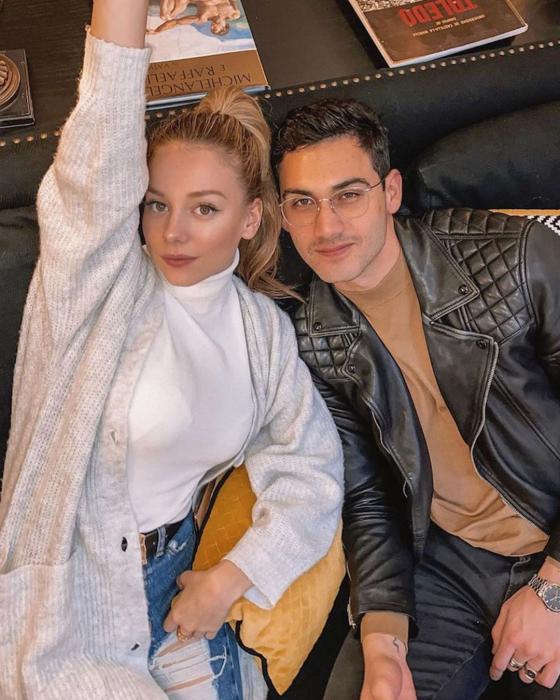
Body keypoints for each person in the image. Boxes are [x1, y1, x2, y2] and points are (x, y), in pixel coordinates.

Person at [0, 2, 343, 698]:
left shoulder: (262, 332)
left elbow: (312, 471)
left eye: (205, 208)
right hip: (71, 598)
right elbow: (99, 155)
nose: (174, 231)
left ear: (250, 218)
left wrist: (229, 579)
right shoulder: (95, 284)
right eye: (157, 204)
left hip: (179, 584)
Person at [272, 97, 560, 700]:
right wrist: (383, 641)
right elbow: (367, 497)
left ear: (391, 191)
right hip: (450, 563)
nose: (326, 227)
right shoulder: (311, 337)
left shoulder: (514, 258)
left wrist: (553, 588)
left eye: (348, 195)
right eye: (303, 202)